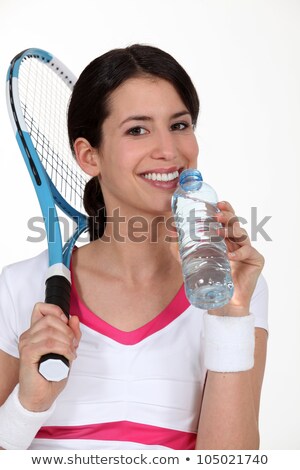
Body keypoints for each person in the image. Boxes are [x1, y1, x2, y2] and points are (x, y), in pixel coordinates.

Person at [0, 44, 268, 450]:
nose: (169, 150)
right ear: (89, 156)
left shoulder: (232, 284)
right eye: (137, 130)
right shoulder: (19, 287)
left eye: (180, 125)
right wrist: (27, 405)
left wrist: (229, 315)